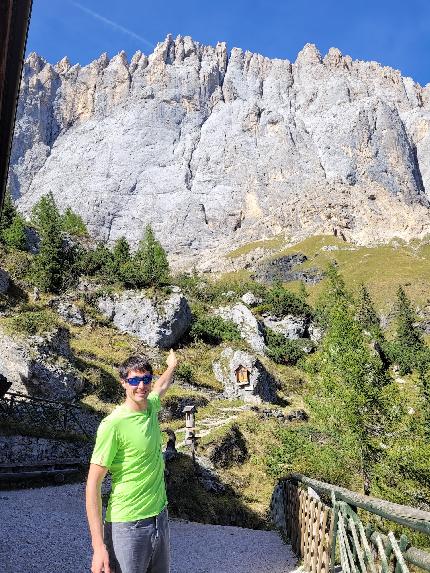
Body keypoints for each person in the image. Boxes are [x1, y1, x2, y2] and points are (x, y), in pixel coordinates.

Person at [86, 349, 178, 573]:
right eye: (134, 380)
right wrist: (98, 547)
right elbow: (92, 486)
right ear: (123, 383)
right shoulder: (113, 424)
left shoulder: (151, 406)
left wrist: (172, 365)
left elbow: (161, 387)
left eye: (146, 379)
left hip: (160, 518)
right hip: (128, 525)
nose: (141, 386)